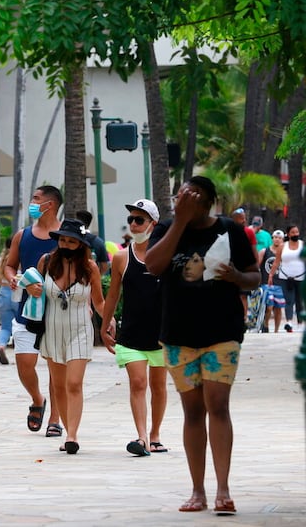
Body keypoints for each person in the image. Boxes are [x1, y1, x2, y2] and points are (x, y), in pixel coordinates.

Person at [145, 176, 259, 515]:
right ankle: (198, 491)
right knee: (193, 411)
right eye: (180, 195)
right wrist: (179, 222)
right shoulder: (167, 228)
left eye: (191, 197)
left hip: (221, 332)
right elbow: (153, 265)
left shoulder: (229, 230)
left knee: (218, 404)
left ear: (207, 202)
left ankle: (223, 489)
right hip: (179, 334)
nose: (183, 200)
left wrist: (237, 277)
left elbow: (254, 276)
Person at [100, 199, 167, 457]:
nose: (134, 224)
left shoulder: (165, 256)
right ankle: (141, 437)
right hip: (130, 335)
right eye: (131, 220)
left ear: (153, 224)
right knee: (138, 383)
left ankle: (155, 434)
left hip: (162, 335)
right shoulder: (120, 258)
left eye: (140, 220)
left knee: (159, 386)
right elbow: (113, 296)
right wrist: (105, 326)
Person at [36, 218, 105, 454]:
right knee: (58, 386)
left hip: (80, 330)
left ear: (81, 243)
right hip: (53, 330)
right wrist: (29, 288)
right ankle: (68, 432)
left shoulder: (90, 267)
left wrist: (111, 322)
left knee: (73, 383)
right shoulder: (46, 263)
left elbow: (98, 302)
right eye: (62, 239)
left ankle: (73, 435)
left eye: (71, 240)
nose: (65, 244)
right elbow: (35, 294)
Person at [4, 185, 63, 436]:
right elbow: (9, 265)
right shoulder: (22, 235)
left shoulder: (67, 235)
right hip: (26, 310)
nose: (33, 203)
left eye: (37, 199)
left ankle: (55, 419)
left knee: (55, 367)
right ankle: (37, 399)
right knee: (24, 364)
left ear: (50, 204)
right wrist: (14, 279)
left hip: (58, 311)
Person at [272, 224, 305, 332]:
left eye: (297, 232)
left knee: (299, 301)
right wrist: (271, 275)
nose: (295, 234)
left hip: (300, 277)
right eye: (293, 232)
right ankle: (289, 322)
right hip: (285, 277)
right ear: (288, 234)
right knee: (288, 300)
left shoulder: (302, 245)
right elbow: (276, 262)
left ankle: (300, 323)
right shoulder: (283, 246)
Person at [0, 237, 18, 365]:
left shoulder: (2, 259)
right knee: (20, 325)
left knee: (5, 326)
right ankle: (20, 353)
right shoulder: (18, 258)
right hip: (17, 294)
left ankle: (2, 346)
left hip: (3, 293)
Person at [231, 208, 257, 322]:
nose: (244, 221)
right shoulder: (228, 231)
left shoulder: (249, 232)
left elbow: (254, 250)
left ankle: (244, 318)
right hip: (231, 266)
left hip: (245, 268)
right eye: (241, 218)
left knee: (243, 295)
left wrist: (255, 266)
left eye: (244, 218)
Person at [259, 230, 286, 333]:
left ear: (282, 240)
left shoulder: (284, 254)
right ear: (272, 238)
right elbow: (257, 266)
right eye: (275, 237)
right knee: (269, 307)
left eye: (279, 238)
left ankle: (276, 331)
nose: (277, 239)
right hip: (266, 283)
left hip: (280, 284)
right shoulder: (264, 251)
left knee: (278, 308)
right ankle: (265, 325)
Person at [75, 209, 110, 275]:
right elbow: (104, 266)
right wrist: (96, 277)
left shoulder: (69, 238)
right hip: (90, 279)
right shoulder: (98, 242)